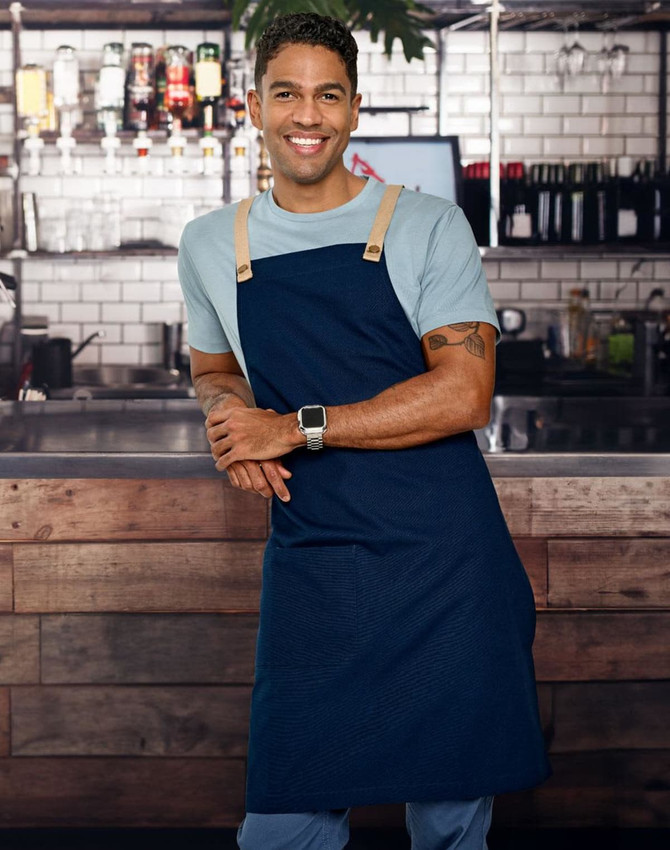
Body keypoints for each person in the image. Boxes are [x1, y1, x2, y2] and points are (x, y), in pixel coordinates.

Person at [178, 12, 552, 850]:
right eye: (287, 93)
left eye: (327, 95)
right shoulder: (210, 244)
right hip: (316, 564)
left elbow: (464, 397)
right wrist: (231, 423)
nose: (306, 115)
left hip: (444, 566)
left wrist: (294, 428)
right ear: (254, 104)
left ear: (353, 110)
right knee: (282, 828)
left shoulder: (426, 226)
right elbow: (214, 371)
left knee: (452, 826)